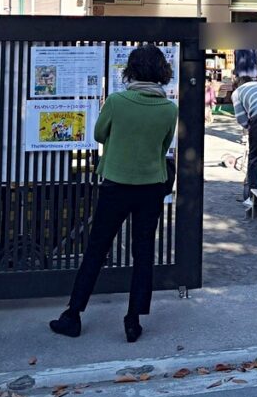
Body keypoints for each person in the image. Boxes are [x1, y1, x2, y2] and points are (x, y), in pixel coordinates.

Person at [50, 44, 177, 344]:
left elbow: (98, 134)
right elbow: (164, 145)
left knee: (96, 250)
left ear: (131, 70)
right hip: (151, 187)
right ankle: (133, 321)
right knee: (144, 252)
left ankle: (73, 314)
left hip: (116, 184)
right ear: (161, 71)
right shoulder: (169, 108)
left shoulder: (117, 102)